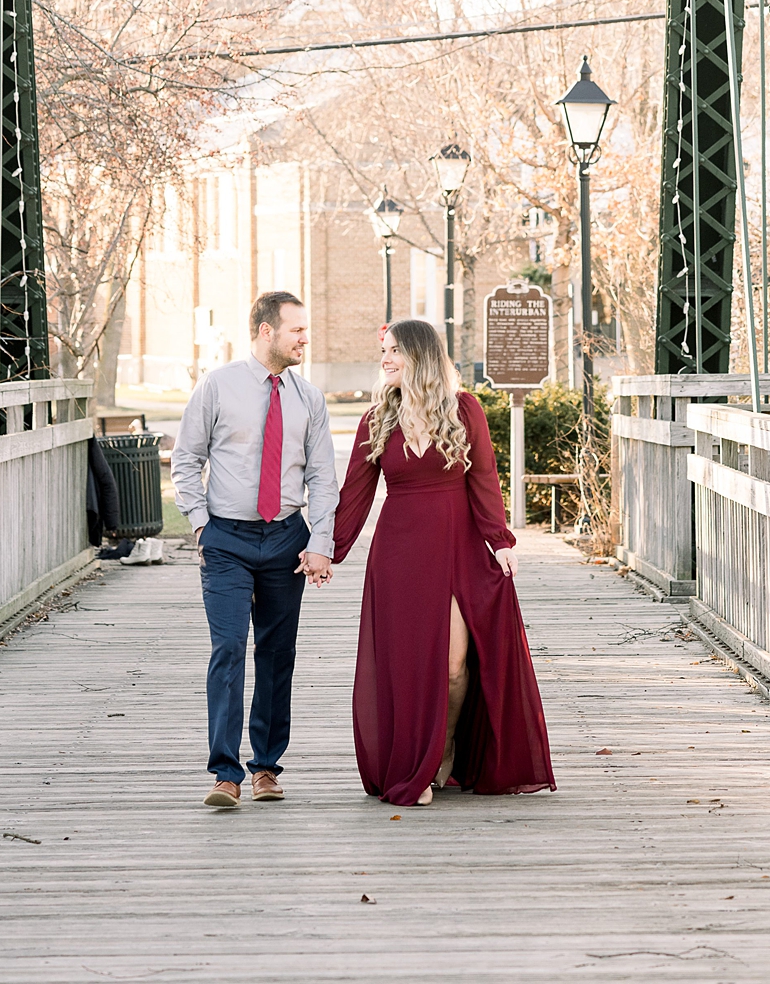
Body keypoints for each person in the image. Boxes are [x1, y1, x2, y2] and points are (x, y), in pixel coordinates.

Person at [332, 318, 555, 807]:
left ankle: (444, 749)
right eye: (384, 351)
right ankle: (417, 760)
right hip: (398, 555)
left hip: (456, 549)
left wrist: (500, 539)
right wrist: (328, 549)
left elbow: (485, 479)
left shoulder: (464, 410)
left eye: (393, 351)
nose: (385, 359)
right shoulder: (376, 420)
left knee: (454, 666)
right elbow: (354, 495)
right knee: (408, 664)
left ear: (420, 356)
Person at [171, 291, 338, 810]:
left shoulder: (309, 397)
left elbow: (323, 478)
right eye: (297, 331)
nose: (305, 339)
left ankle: (265, 766)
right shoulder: (217, 386)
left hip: (286, 537)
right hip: (226, 540)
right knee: (229, 650)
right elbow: (185, 460)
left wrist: (321, 542)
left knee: (277, 654)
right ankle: (225, 773)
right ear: (267, 331)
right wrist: (200, 526)